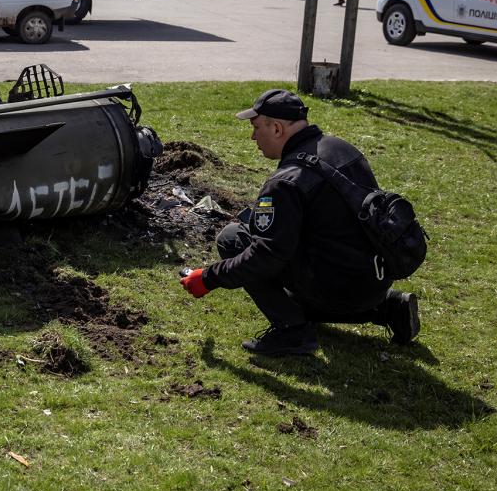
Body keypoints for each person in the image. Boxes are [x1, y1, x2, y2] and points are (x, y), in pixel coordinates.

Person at [180, 89, 420, 356]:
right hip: (375, 280)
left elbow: (266, 256)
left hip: (338, 288)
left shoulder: (285, 182)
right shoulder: (342, 148)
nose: (252, 137)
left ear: (277, 128)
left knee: (233, 238)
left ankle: (291, 331)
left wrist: (208, 278)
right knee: (297, 291)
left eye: (256, 127)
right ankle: (388, 307)